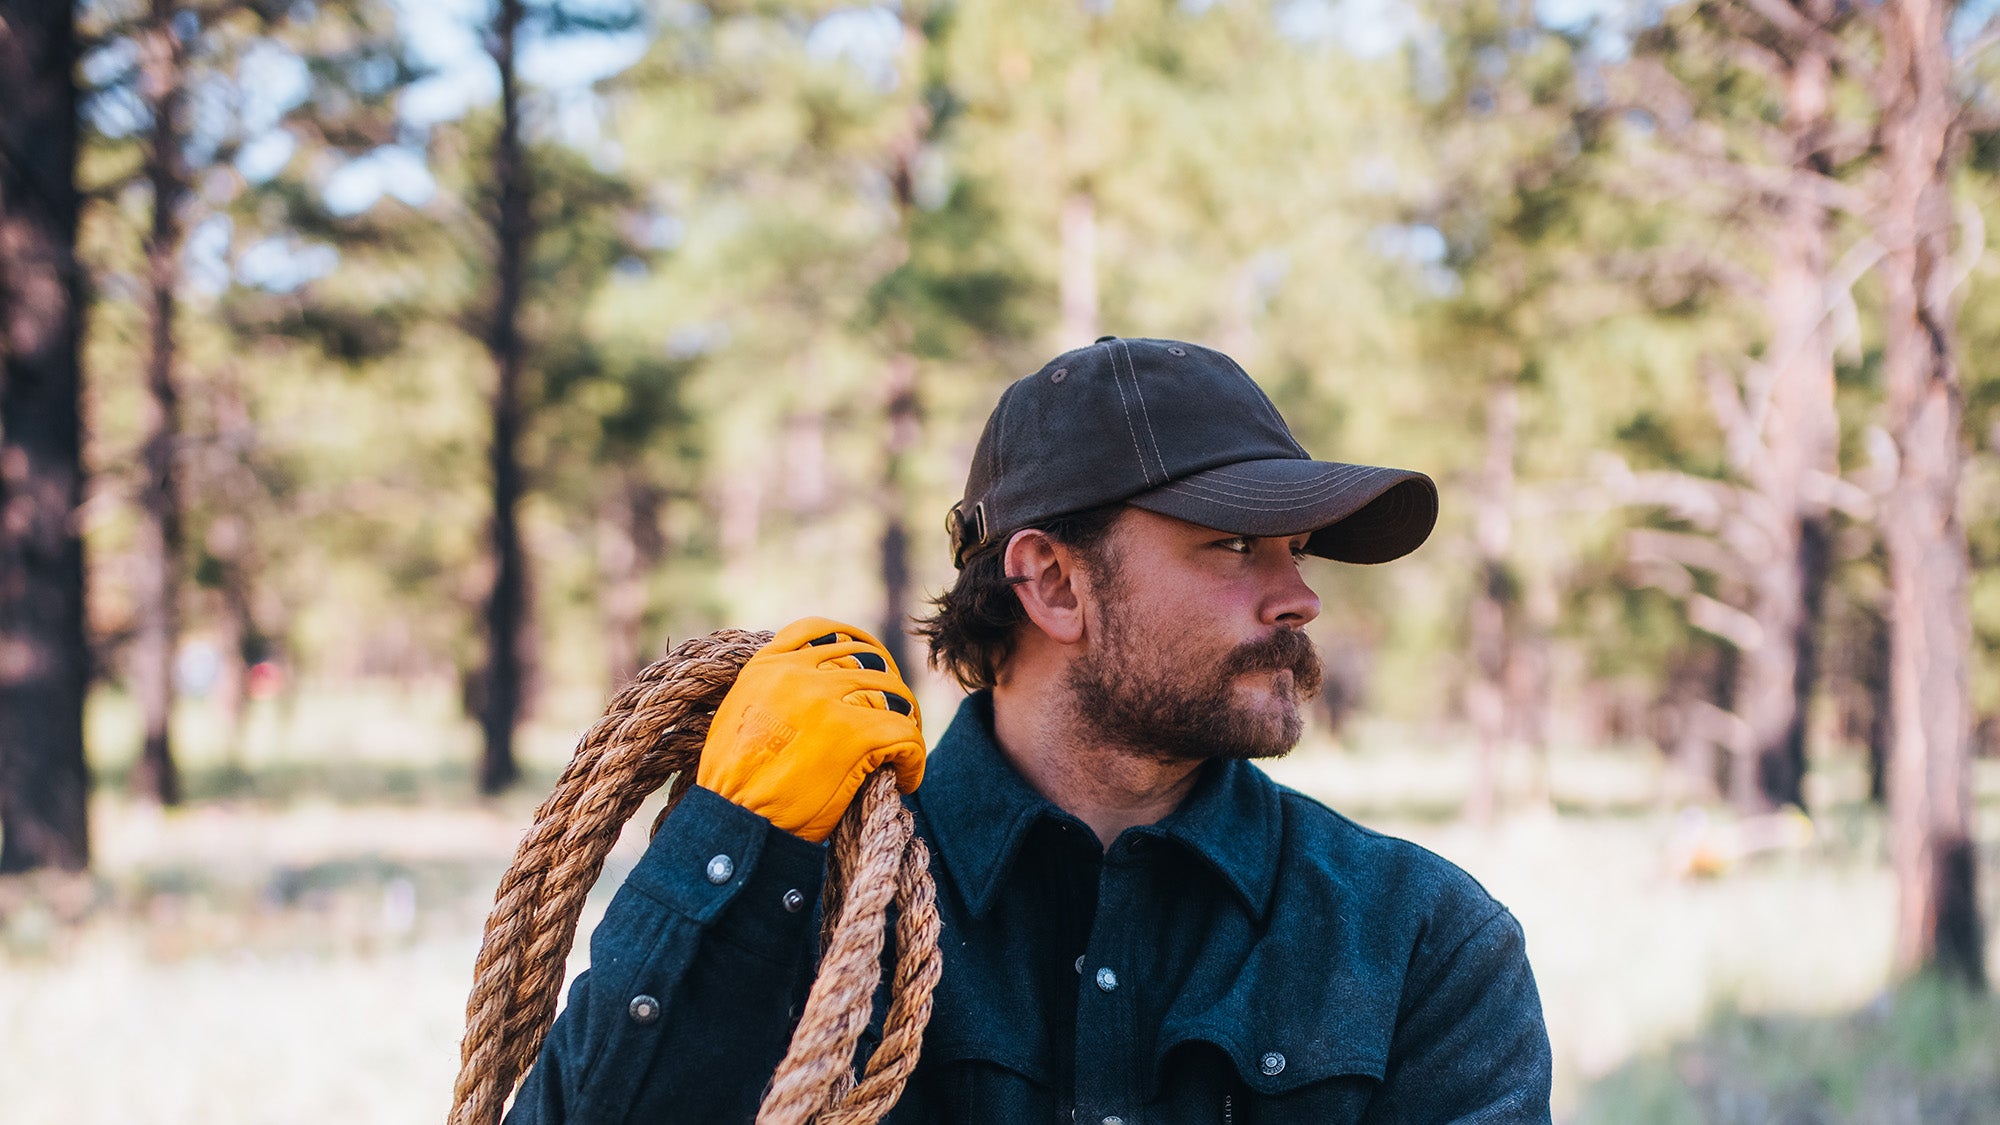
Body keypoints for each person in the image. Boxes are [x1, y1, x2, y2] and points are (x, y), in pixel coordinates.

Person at [506, 337, 1552, 1123]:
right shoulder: (798, 891)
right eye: (1233, 545)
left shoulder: (1421, 944)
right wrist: (729, 842)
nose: (1297, 599)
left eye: (1298, 550)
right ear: (1051, 582)